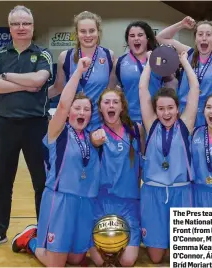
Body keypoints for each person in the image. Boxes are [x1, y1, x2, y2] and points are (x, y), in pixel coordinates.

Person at [11, 57, 100, 267]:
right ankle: (31, 240)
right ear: (69, 112)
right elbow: (61, 105)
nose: (81, 112)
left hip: (84, 201)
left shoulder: (91, 137)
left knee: (77, 259)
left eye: (86, 109)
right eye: (77, 108)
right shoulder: (57, 132)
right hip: (59, 200)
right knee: (56, 264)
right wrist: (78, 71)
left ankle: (46, 242)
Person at [0, 5, 52, 251]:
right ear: (10, 27)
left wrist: (5, 78)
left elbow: (40, 80)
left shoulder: (43, 53)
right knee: (1, 183)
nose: (21, 28)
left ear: (32, 27)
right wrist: (25, 83)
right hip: (4, 126)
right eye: (16, 23)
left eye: (26, 23)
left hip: (37, 126)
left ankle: (45, 230)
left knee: (42, 182)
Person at [138, 51, 199, 263]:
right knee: (155, 258)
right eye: (161, 109)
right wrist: (148, 63)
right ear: (155, 110)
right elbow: (142, 89)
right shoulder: (151, 124)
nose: (166, 113)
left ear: (177, 108)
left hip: (180, 191)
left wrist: (184, 62)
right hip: (153, 192)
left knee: (179, 257)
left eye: (170, 108)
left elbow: (195, 89)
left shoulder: (185, 125)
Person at [89, 88, 145, 267]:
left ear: (122, 107)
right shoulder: (96, 132)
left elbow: (142, 163)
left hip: (129, 203)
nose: (111, 105)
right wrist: (93, 140)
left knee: (128, 261)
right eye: (106, 102)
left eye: (115, 102)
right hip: (101, 202)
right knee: (99, 261)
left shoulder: (136, 129)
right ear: (100, 108)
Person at [156, 16, 212, 127]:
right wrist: (181, 24)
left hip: (207, 114)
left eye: (208, 34)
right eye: (200, 34)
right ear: (195, 39)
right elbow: (160, 38)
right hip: (184, 111)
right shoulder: (187, 53)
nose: (204, 38)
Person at [48, 11, 114, 130]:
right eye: (83, 31)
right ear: (76, 34)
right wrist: (33, 98)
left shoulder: (109, 56)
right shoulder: (65, 57)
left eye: (92, 31)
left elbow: (112, 90)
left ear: (98, 32)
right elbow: (58, 88)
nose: (88, 35)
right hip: (73, 123)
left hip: (100, 124)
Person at [108, 21, 175, 123]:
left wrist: (169, 105)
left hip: (156, 117)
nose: (136, 38)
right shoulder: (119, 62)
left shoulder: (158, 60)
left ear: (147, 39)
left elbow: (171, 82)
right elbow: (110, 90)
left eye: (140, 35)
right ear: (127, 40)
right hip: (129, 118)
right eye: (132, 36)